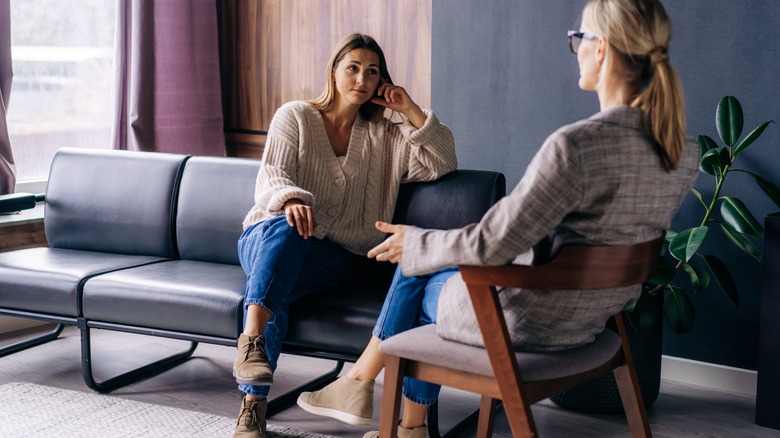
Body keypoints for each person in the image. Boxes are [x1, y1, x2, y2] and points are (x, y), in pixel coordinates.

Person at [296, 1, 699, 437]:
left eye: (578, 39)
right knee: (425, 256)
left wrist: (416, 243)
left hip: (525, 321)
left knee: (415, 268)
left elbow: (493, 243)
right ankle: (387, 408)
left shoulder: (577, 146)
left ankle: (366, 390)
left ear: (600, 49)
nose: (576, 49)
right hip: (593, 319)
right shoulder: (681, 151)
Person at [233, 33, 457, 438]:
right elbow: (271, 177)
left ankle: (253, 403)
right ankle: (252, 351)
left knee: (277, 285)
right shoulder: (295, 115)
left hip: (334, 256)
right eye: (352, 67)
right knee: (287, 235)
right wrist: (291, 200)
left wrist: (410, 110)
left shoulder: (387, 137)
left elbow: (441, 162)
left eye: (372, 71)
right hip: (268, 235)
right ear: (333, 73)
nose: (362, 78)